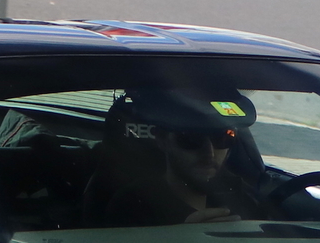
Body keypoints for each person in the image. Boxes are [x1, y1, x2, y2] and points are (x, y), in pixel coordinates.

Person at [89, 88, 270, 226]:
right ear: (162, 140)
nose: (209, 152)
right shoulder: (133, 205)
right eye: (190, 139)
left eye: (222, 138)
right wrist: (183, 242)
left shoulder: (243, 198)